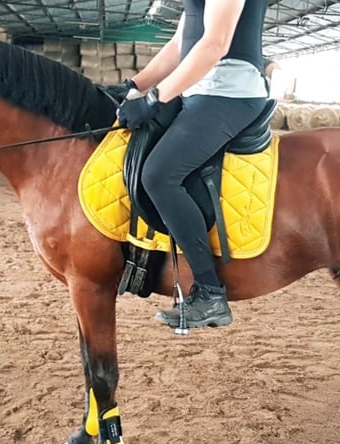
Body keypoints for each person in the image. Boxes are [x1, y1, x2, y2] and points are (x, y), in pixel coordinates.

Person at [116, 0, 269, 329]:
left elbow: (215, 44)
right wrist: (134, 87)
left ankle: (210, 293)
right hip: (197, 90)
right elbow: (178, 44)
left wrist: (156, 98)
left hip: (229, 92)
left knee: (159, 175)